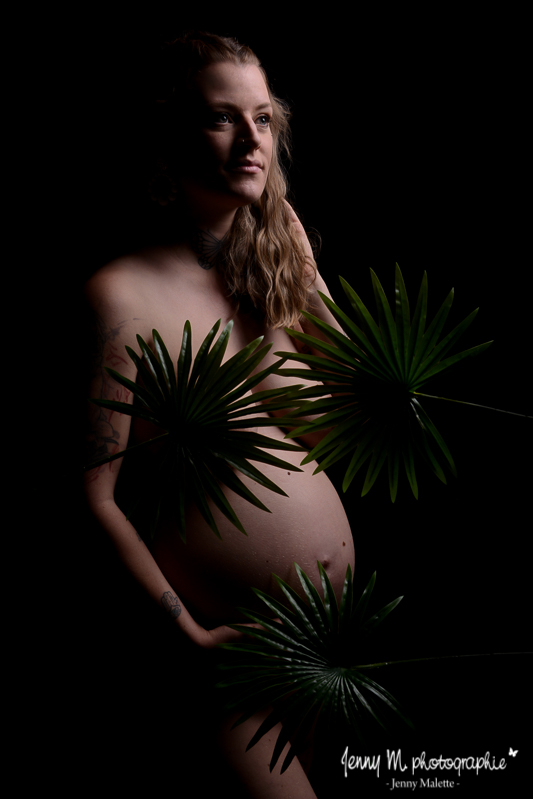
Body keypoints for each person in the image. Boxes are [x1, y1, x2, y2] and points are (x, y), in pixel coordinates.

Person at [84, 31, 355, 798]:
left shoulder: (272, 279)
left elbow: (359, 422)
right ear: (171, 136)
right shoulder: (122, 295)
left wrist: (309, 282)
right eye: (220, 118)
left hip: (327, 643)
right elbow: (92, 495)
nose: (249, 140)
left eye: (262, 118)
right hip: (227, 653)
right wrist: (187, 636)